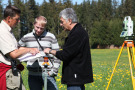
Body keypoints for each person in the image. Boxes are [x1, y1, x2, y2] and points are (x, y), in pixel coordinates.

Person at [44, 8, 94, 90]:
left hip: (75, 78)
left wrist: (50, 51)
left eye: (62, 22)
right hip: (77, 77)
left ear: (69, 21)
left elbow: (65, 55)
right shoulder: (79, 31)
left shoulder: (76, 34)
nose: (61, 24)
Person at [0, 5, 39, 90]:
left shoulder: (8, 30)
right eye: (17, 19)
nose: (19, 21)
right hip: (8, 73)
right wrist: (28, 49)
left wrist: (32, 50)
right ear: (9, 18)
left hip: (13, 72)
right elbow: (14, 54)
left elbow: (16, 48)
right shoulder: (2, 31)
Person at [18, 16, 61, 90]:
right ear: (34, 24)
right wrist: (28, 55)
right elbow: (17, 49)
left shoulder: (51, 37)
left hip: (48, 74)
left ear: (45, 27)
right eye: (37, 27)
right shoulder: (26, 37)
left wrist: (53, 71)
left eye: (42, 28)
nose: (39, 30)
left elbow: (58, 55)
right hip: (32, 75)